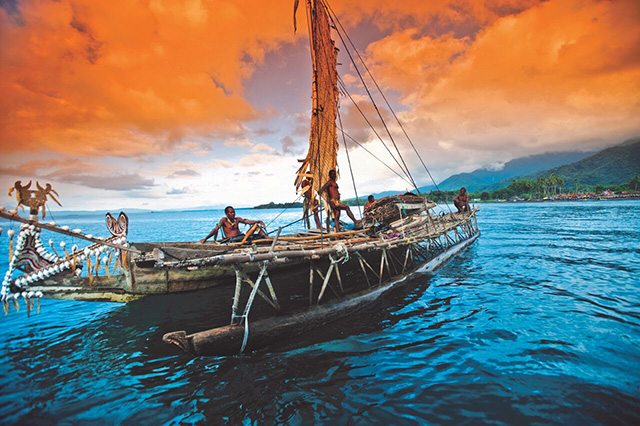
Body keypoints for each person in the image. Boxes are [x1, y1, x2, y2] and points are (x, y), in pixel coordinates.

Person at [200, 206, 267, 243]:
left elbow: (248, 222)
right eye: (231, 212)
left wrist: (259, 221)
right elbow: (215, 229)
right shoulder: (224, 220)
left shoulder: (237, 219)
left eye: (234, 212)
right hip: (232, 240)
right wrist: (205, 239)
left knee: (256, 226)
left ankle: (267, 238)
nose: (233, 214)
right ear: (227, 214)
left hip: (242, 237)